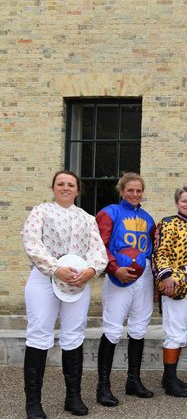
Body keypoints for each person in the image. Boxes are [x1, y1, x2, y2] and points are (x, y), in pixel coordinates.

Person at [21, 170, 108, 418]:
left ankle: (73, 397)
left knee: (74, 334)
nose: (66, 188)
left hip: (78, 280)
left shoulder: (87, 218)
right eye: (61, 184)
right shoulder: (41, 211)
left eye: (71, 184)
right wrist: (55, 268)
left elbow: (98, 251)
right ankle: (33, 403)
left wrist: (91, 270)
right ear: (53, 188)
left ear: (77, 190)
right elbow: (31, 242)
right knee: (39, 333)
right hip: (45, 278)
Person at [95, 172, 157, 406]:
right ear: (121, 191)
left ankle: (133, 381)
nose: (134, 194)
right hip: (118, 277)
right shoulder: (109, 212)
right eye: (130, 190)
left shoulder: (148, 218)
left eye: (138, 190)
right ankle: (103, 387)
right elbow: (99, 245)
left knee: (139, 328)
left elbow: (152, 251)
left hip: (143, 277)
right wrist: (113, 268)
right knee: (112, 329)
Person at [151, 186, 187, 398]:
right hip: (176, 278)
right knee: (174, 328)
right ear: (177, 202)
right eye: (184, 201)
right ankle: (169, 380)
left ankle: (171, 377)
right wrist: (166, 277)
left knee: (184, 327)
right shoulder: (168, 223)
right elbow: (161, 252)